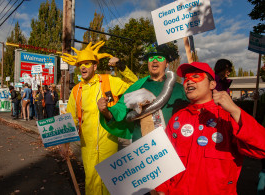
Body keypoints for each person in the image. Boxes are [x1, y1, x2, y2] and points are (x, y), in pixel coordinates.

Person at [155, 62, 265, 194]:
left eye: (196, 76)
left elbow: (261, 149)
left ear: (212, 84)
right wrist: (161, 189)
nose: (189, 82)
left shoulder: (228, 116)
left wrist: (236, 111)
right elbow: (165, 160)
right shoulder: (177, 119)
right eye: (186, 79)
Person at [60, 41, 138, 195]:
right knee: (90, 179)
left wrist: (122, 67)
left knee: (109, 181)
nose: (83, 67)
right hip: (87, 144)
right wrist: (65, 144)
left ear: (95, 66)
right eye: (80, 64)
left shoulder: (109, 81)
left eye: (87, 63)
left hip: (108, 141)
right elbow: (69, 119)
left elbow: (135, 85)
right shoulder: (76, 90)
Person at [98, 43, 188, 142]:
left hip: (173, 144)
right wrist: (105, 111)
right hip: (144, 147)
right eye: (151, 58)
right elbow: (120, 109)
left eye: (159, 58)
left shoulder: (180, 89)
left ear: (166, 64)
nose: (154, 60)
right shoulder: (137, 86)